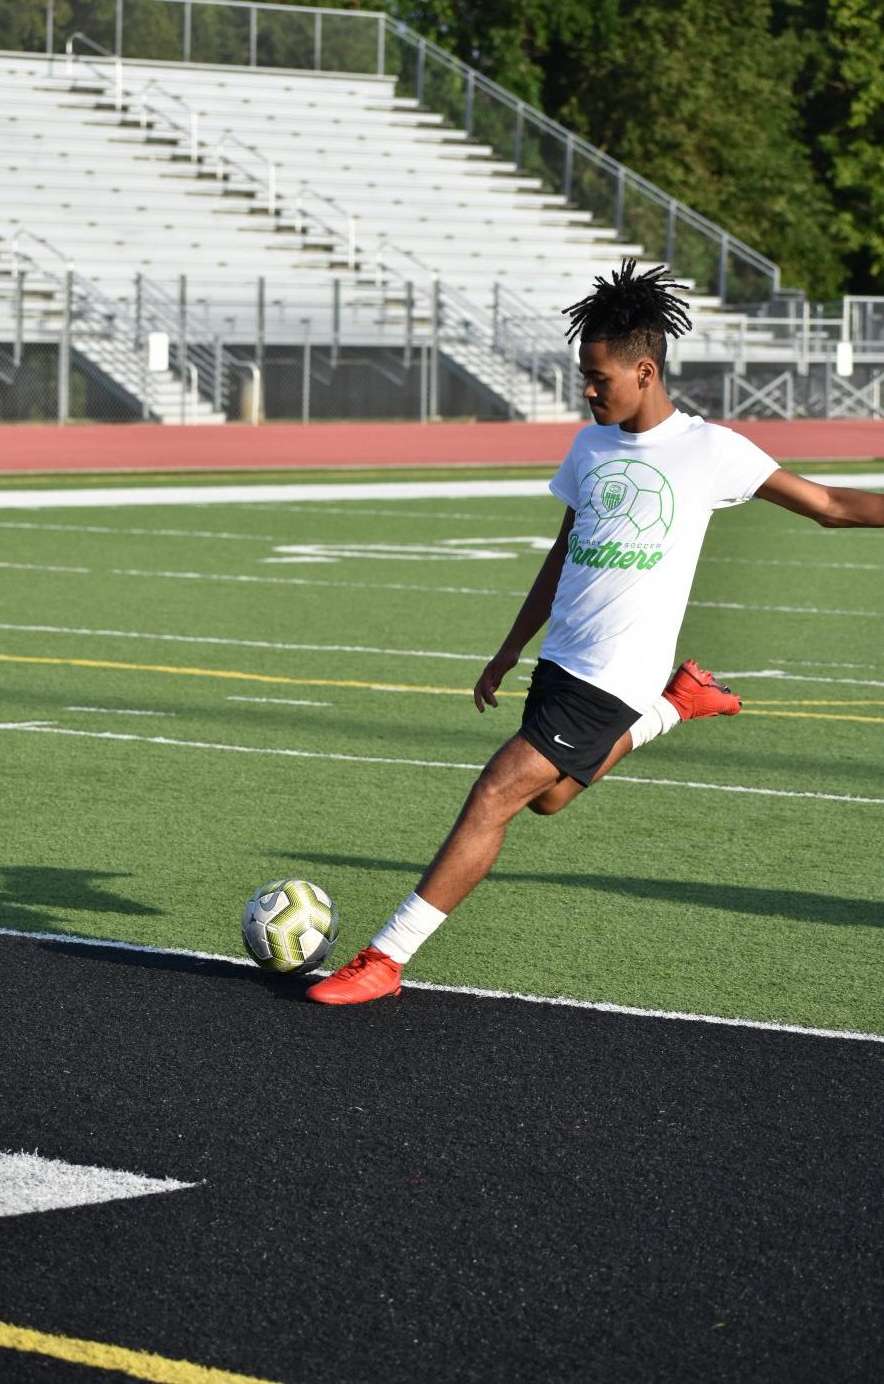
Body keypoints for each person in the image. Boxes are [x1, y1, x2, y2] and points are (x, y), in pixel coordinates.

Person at [307, 259, 884, 1006]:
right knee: (546, 800)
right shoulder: (589, 448)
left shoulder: (710, 450)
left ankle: (385, 958)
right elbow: (564, 550)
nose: (585, 390)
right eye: (583, 375)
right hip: (562, 658)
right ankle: (679, 702)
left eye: (597, 377)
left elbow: (827, 503)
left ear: (645, 370)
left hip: (614, 669)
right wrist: (510, 646)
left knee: (493, 795)